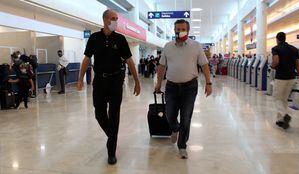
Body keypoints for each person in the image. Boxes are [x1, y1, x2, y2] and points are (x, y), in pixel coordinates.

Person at [77, 9, 141, 165]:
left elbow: (130, 61)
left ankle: (111, 151)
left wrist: (137, 82)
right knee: (99, 114)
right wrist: (80, 79)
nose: (116, 21)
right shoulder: (94, 38)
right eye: (113, 18)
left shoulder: (120, 39)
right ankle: (112, 136)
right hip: (99, 81)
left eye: (116, 18)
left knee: (114, 115)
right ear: (105, 20)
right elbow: (86, 59)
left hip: (115, 81)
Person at [155, 19, 212, 159]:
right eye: (177, 29)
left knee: (186, 118)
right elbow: (162, 66)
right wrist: (158, 83)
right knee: (169, 115)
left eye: (182, 29)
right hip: (171, 87)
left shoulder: (196, 46)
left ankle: (182, 146)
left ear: (188, 30)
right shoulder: (168, 46)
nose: (179, 31)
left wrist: (209, 83)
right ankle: (175, 129)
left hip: (189, 87)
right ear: (174, 31)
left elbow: (204, 65)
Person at [271, 32, 299, 130]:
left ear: (277, 39)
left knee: (277, 98)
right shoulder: (294, 49)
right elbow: (298, 65)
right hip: (291, 78)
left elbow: (276, 61)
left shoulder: (275, 48)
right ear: (285, 38)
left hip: (281, 77)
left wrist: (272, 65)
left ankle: (285, 115)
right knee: (284, 99)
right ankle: (280, 120)